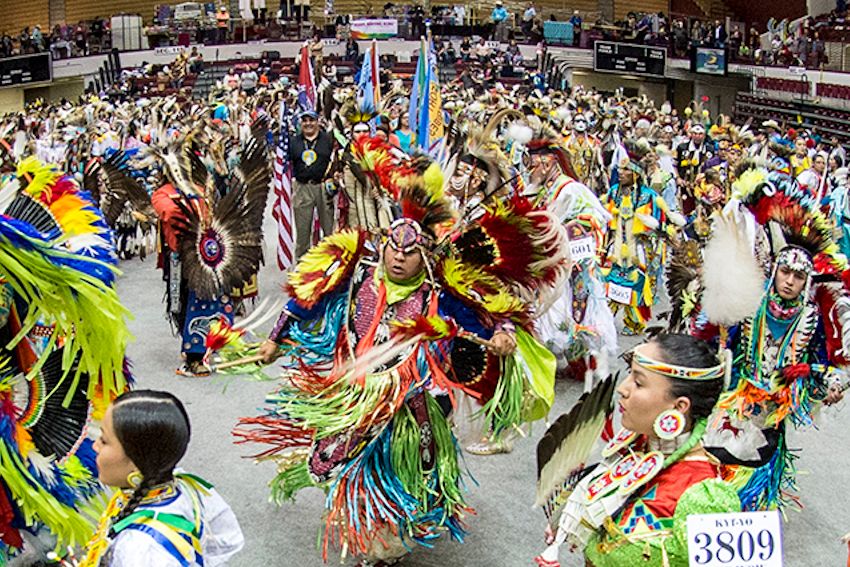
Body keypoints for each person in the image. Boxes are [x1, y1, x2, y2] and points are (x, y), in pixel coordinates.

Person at [234, 139, 566, 566]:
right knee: (344, 458)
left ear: (426, 255)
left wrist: (503, 333)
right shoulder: (358, 271)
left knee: (401, 469)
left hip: (412, 401)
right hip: (355, 390)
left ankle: (385, 539)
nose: (399, 258)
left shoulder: (440, 293)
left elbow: (486, 311)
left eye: (410, 253)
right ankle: (369, 520)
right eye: (394, 248)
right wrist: (275, 338)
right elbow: (306, 296)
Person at [535, 334, 740, 567]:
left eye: (639, 382)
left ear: (679, 406)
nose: (623, 388)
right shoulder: (634, 449)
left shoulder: (706, 501)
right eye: (629, 374)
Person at [83, 390, 244, 565]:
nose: (95, 445)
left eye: (104, 441)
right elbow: (225, 541)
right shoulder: (187, 487)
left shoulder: (140, 551)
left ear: (136, 461)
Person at [290, 109, 334, 258]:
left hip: (323, 187)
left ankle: (329, 264)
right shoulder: (293, 141)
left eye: (311, 120)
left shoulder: (327, 139)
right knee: (303, 233)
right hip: (302, 188)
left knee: (328, 231)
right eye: (305, 120)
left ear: (317, 122)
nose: (308, 124)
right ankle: (302, 267)